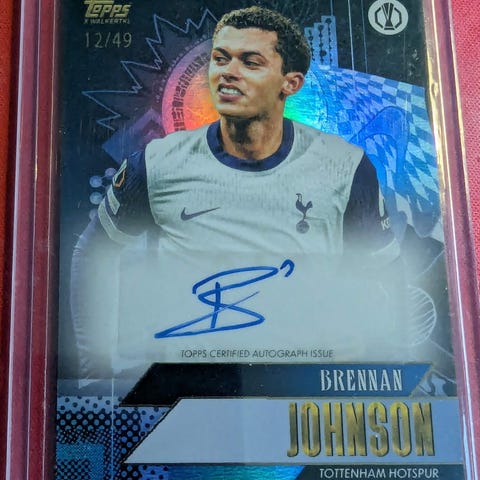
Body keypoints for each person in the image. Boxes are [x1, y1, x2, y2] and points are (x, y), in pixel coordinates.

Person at [71, 6, 403, 379]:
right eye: (220, 58)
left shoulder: (345, 165)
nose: (228, 71)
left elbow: (383, 274)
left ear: (290, 83)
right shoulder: (157, 163)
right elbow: (94, 253)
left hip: (297, 388)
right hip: (189, 388)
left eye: (250, 62)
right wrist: (95, 370)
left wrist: (372, 361)